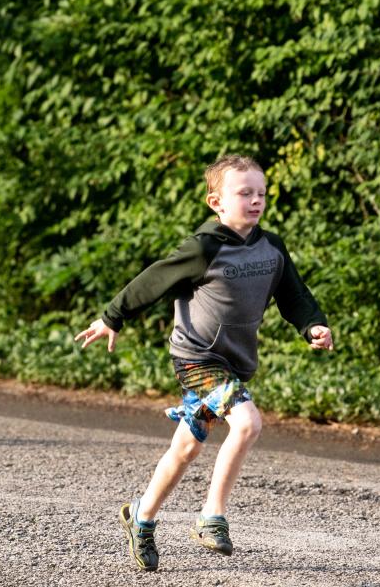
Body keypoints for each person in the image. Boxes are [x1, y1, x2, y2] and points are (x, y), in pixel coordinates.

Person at [75, 154, 333, 571]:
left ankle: (141, 516)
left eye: (261, 193)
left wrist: (313, 325)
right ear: (216, 202)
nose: (255, 200)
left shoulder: (272, 248)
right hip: (197, 357)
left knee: (187, 447)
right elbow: (153, 280)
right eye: (244, 193)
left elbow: (294, 296)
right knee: (248, 422)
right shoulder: (204, 247)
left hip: (233, 363)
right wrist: (112, 317)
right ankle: (212, 517)